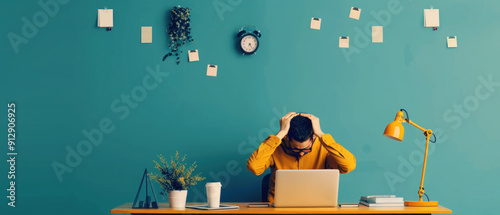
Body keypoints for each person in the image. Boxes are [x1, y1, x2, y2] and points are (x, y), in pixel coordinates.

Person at [247, 112, 356, 202]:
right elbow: (254, 167)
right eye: (295, 148)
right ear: (287, 137)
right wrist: (281, 133)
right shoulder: (276, 146)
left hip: (317, 208)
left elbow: (349, 166)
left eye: (306, 148)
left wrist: (320, 134)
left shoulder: (324, 147)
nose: (301, 154)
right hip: (279, 211)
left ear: (313, 137)